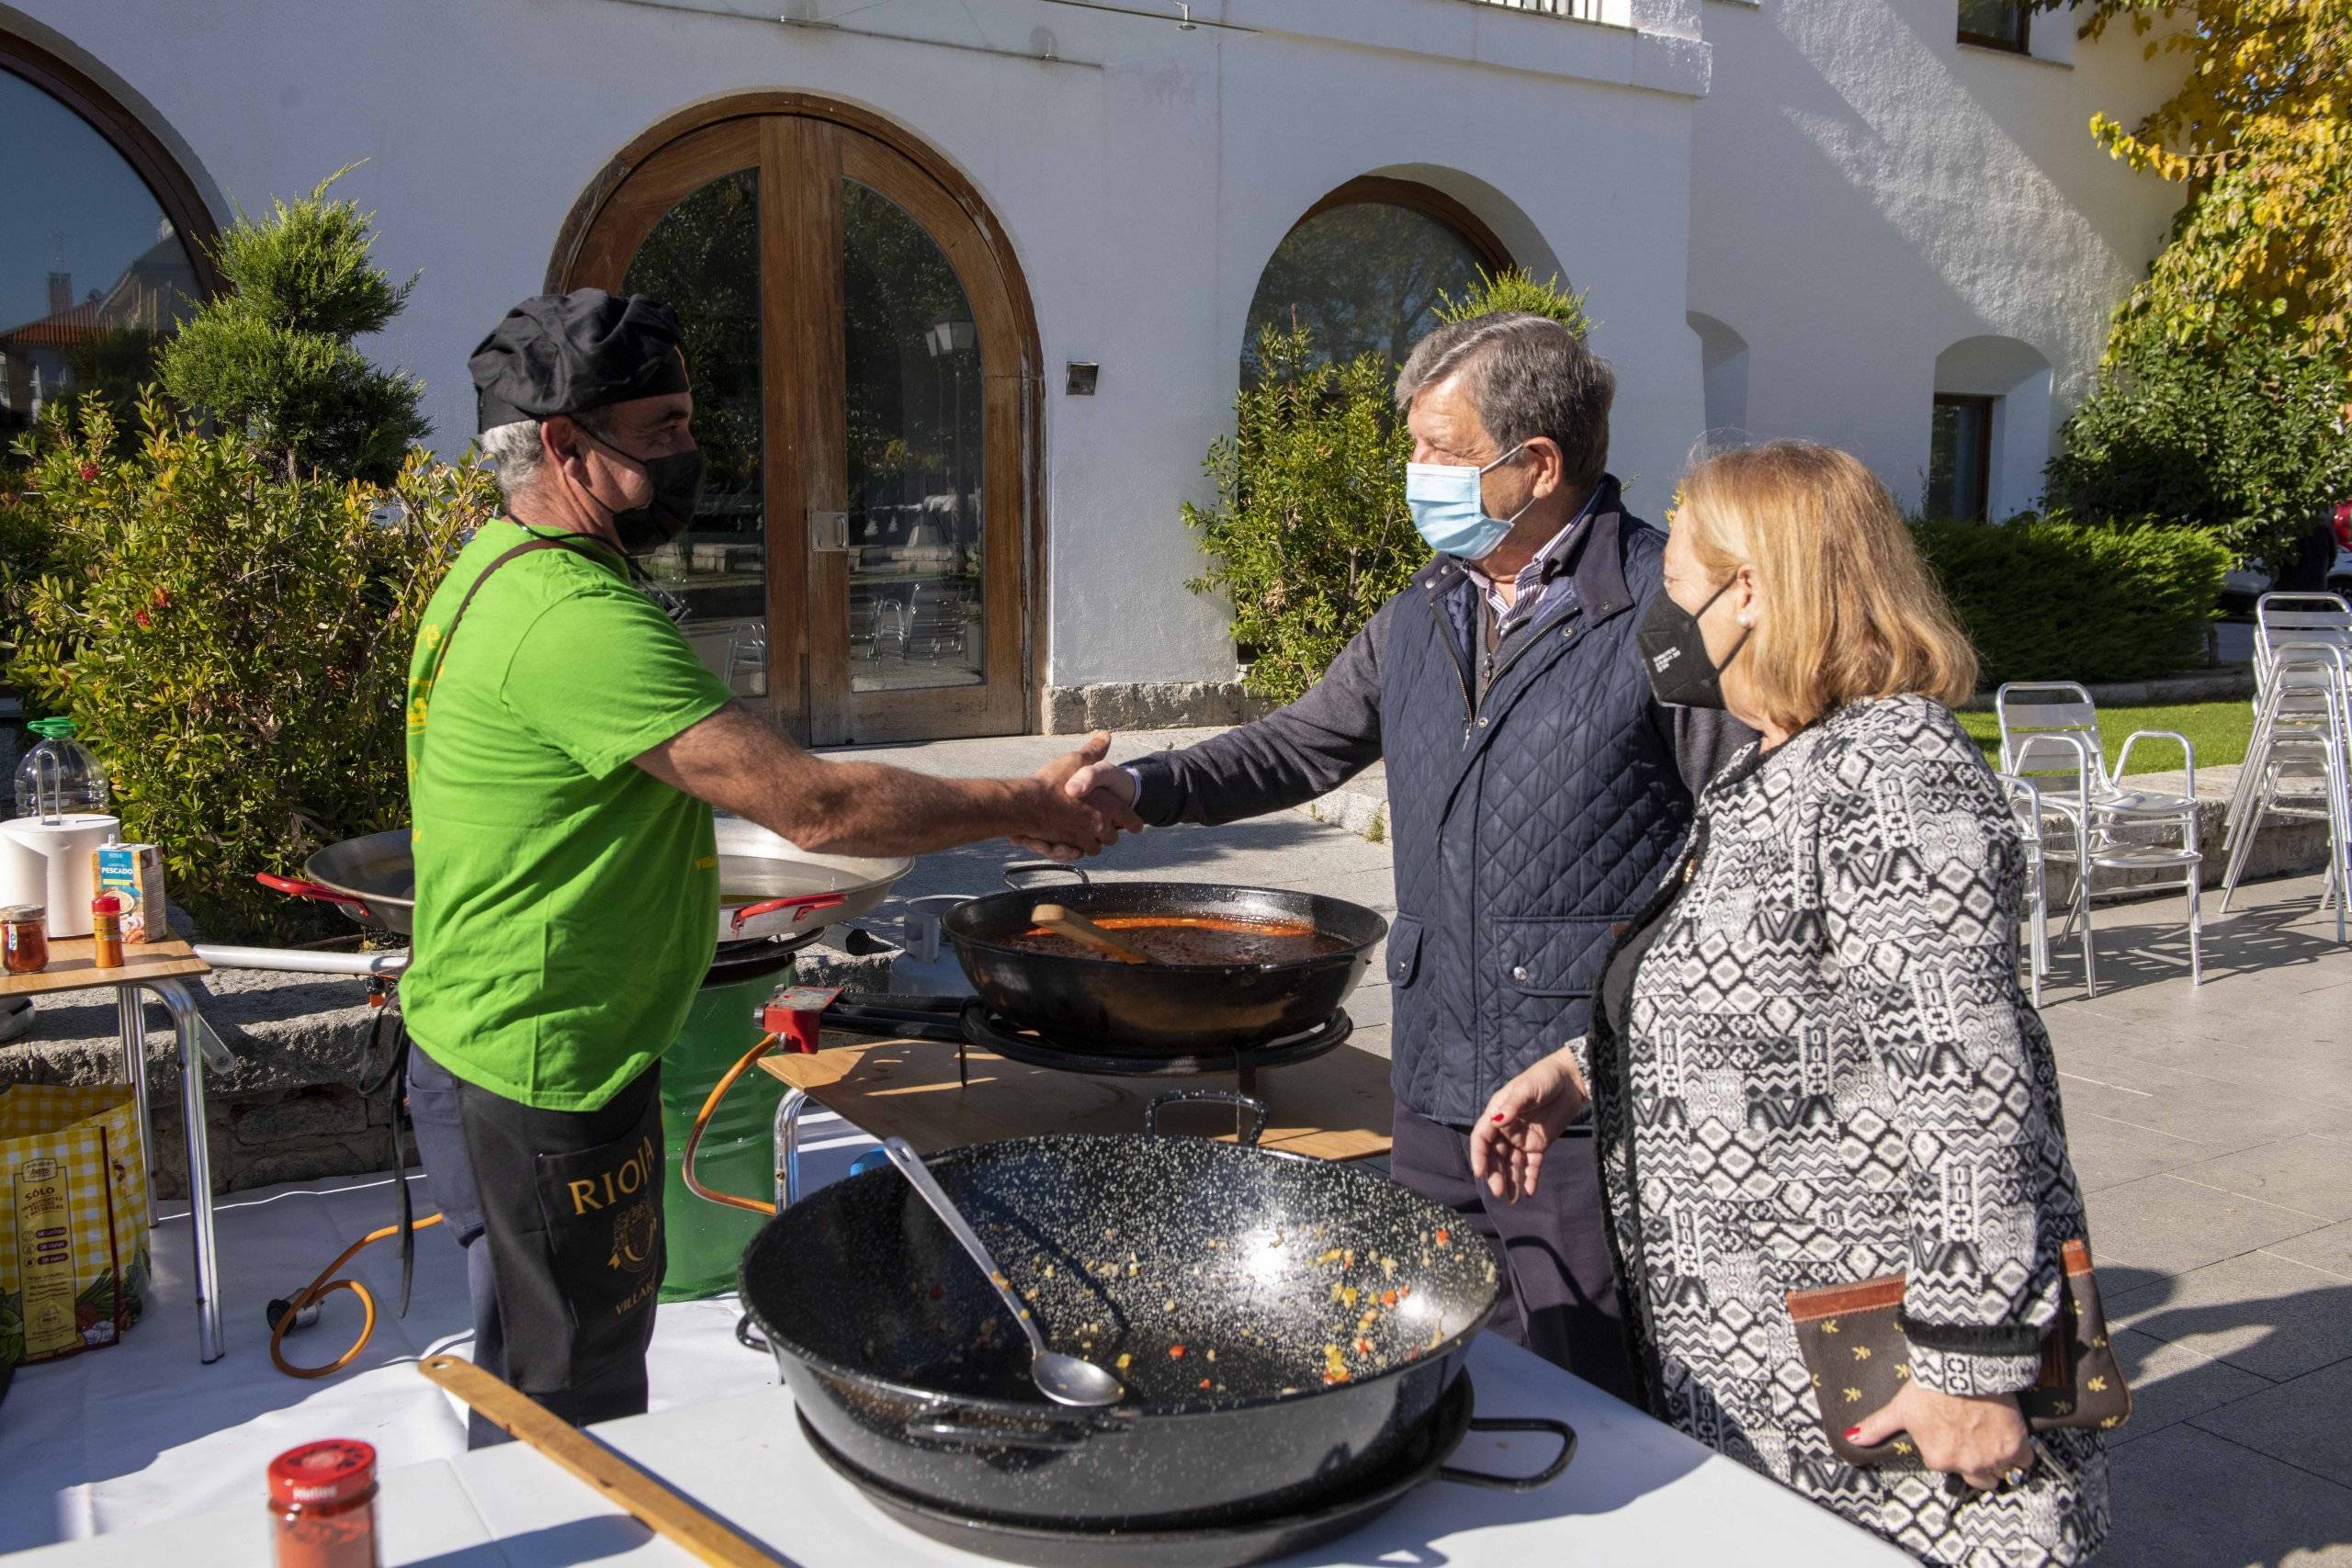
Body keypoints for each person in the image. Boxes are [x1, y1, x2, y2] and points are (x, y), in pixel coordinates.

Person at [401, 289, 1130, 1445]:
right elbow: (815, 804)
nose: (693, 453)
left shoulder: (492, 563)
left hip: (486, 1036)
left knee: (533, 1357)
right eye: (664, 431)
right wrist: (1023, 803)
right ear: (561, 445)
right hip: (548, 1063)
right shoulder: (568, 615)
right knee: (573, 1408)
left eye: (691, 421)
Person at [1057, 312, 1754, 1401]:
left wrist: (1607, 1051)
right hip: (1433, 1084)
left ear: (1534, 466)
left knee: (1592, 1388)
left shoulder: (1665, 611)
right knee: (1430, 1365)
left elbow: (1749, 845)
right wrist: (1137, 788)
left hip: (1574, 1101)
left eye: (1438, 449)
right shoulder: (1425, 607)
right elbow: (1296, 743)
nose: (1413, 474)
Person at [1472, 440, 2109, 1564]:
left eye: (1677, 589)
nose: (1658, 622)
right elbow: (1767, 993)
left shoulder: (1888, 772)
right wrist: (1583, 1068)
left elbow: (1969, 1084)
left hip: (1887, 1384)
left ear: (1752, 591)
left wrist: (1971, 1366)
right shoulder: (1781, 760)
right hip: (1776, 1369)